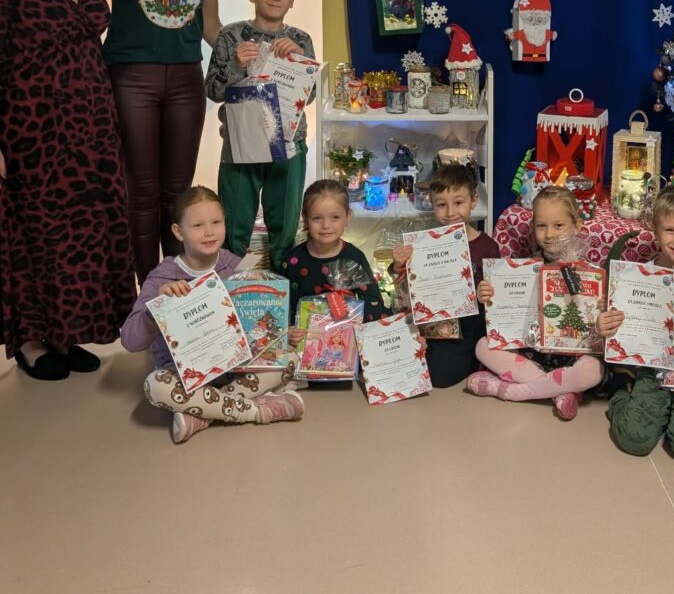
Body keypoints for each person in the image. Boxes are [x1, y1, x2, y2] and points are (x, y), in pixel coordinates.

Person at [0, 0, 136, 381]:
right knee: (37, 229)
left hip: (91, 118)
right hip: (30, 122)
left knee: (87, 225)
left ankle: (69, 332)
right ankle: (33, 340)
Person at [94, 0, 224, 281]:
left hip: (186, 78)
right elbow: (85, 11)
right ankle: (149, 288)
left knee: (177, 190)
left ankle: (177, 286)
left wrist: (252, 50)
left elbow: (210, 26)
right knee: (142, 189)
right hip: (131, 78)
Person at [121, 186, 304, 444]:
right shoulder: (163, 276)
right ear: (178, 231)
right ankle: (253, 410)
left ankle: (203, 413)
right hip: (184, 375)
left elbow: (261, 320)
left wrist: (281, 332)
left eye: (216, 222)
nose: (209, 232)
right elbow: (130, 341)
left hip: (234, 365)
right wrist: (157, 309)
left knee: (291, 357)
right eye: (198, 225)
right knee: (155, 386)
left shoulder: (235, 265)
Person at [597, 184, 674, 461]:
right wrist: (605, 326)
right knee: (633, 440)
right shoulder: (637, 279)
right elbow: (619, 330)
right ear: (656, 230)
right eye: (670, 230)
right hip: (650, 371)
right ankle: (621, 393)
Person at [205, 0, 315, 267]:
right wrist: (236, 64)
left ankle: (284, 282)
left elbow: (309, 96)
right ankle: (232, 282)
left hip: (288, 143)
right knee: (235, 221)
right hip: (241, 142)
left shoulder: (301, 40)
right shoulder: (230, 36)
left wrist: (298, 61)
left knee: (285, 223)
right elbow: (212, 90)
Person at [469, 186, 604, 420]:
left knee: (594, 371)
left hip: (573, 354)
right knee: (483, 346)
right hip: (532, 351)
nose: (549, 234)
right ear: (533, 227)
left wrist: (602, 311)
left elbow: (600, 324)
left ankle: (507, 390)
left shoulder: (592, 274)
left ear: (577, 225)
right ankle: (559, 392)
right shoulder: (524, 268)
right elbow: (504, 312)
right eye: (542, 226)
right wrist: (488, 295)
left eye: (558, 225)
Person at [390, 164, 500, 388]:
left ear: (474, 201)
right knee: (410, 369)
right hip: (432, 326)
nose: (450, 212)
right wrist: (399, 265)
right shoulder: (422, 244)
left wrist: (486, 293)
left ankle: (477, 362)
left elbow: (496, 297)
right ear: (432, 204)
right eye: (441, 204)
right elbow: (403, 289)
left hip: (470, 329)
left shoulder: (487, 246)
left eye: (458, 203)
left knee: (440, 377)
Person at [281, 180, 386, 341]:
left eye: (335, 217)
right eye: (317, 218)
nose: (326, 225)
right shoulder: (292, 260)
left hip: (346, 341)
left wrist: (352, 310)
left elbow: (374, 303)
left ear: (347, 217)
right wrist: (287, 331)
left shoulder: (354, 258)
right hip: (302, 344)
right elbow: (281, 306)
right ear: (305, 218)